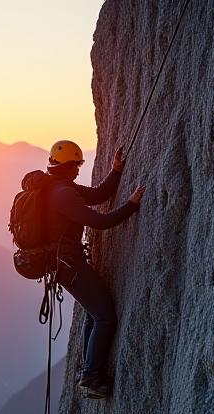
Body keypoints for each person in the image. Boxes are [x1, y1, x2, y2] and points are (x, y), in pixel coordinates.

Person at [45, 140, 146, 399]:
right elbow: (99, 221)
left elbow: (97, 195)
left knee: (94, 313)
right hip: (69, 266)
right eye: (76, 165)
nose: (79, 169)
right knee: (105, 316)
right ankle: (91, 375)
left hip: (64, 265)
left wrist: (116, 171)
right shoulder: (63, 194)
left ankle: (87, 367)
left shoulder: (58, 188)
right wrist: (132, 205)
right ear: (67, 166)